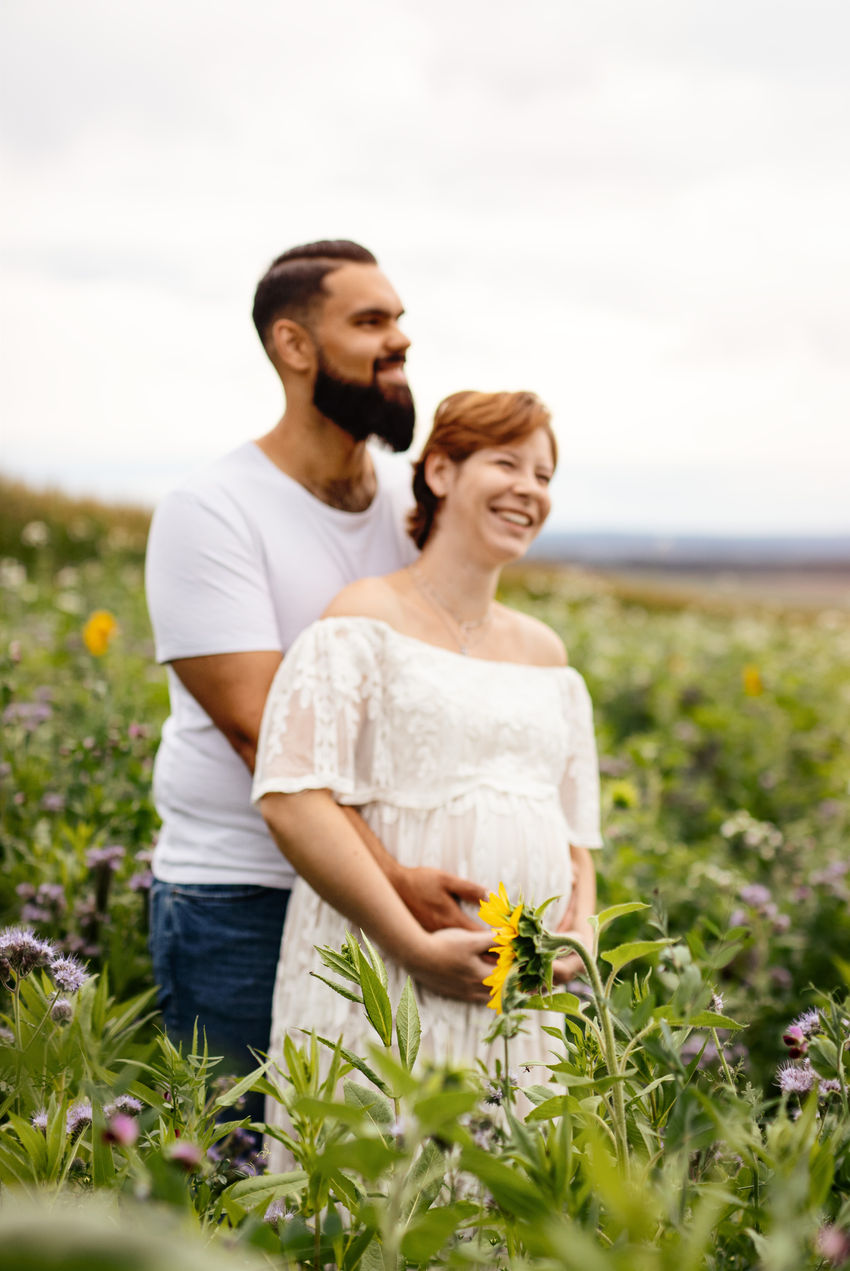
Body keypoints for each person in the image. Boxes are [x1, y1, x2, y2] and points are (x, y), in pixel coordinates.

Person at [144, 241, 489, 1092]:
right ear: (294, 346)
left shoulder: (411, 516)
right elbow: (260, 730)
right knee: (234, 1168)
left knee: (356, 1180)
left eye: (400, 318)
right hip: (242, 899)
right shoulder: (212, 510)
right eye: (370, 321)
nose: (399, 339)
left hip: (386, 892)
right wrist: (394, 884)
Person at [252, 390, 603, 1122]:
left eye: (544, 476)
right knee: (377, 1189)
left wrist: (585, 931)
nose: (530, 490)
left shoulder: (547, 653)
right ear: (440, 471)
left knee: (504, 1205)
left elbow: (574, 831)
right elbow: (292, 794)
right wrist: (412, 944)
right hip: (384, 970)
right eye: (507, 463)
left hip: (521, 998)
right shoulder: (362, 617)